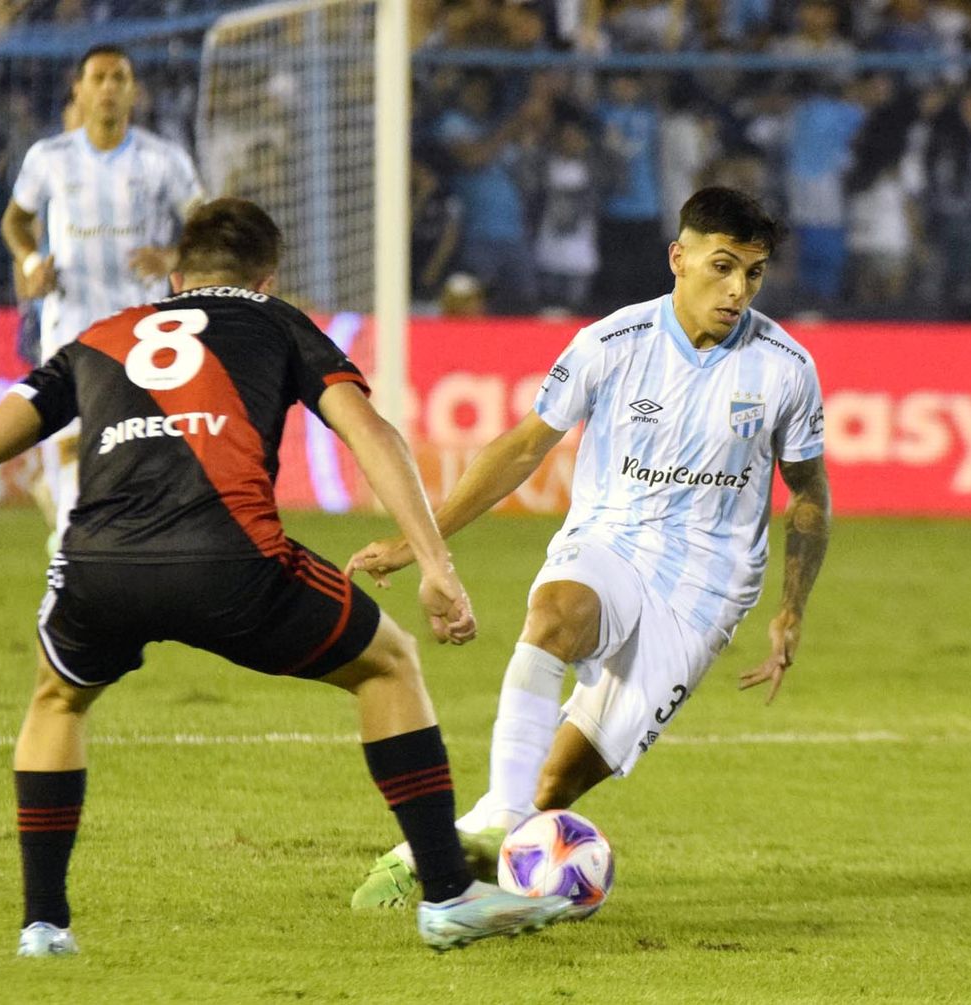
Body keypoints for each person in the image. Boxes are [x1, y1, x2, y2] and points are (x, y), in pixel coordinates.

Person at [0, 197, 570, 956]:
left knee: (59, 698)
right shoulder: (277, 322)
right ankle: (447, 894)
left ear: (176, 276)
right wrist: (435, 563)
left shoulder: (100, 336)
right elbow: (369, 431)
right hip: (232, 562)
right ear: (268, 279)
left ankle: (44, 925)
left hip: (100, 566)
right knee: (389, 663)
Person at [348, 187, 832, 909]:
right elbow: (520, 448)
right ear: (680, 257)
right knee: (554, 614)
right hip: (611, 539)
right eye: (723, 266)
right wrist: (419, 539)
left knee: (554, 785)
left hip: (706, 591)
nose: (737, 290)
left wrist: (790, 611)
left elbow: (810, 494)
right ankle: (499, 841)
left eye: (753, 274)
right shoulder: (613, 343)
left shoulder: (785, 368)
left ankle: (439, 849)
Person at [1, 45, 205, 553]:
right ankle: (73, 541)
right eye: (98, 77)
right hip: (69, 323)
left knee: (139, 445)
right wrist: (30, 264)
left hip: (145, 330)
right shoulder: (48, 158)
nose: (109, 87)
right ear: (80, 90)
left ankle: (118, 540)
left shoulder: (165, 160)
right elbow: (15, 220)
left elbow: (206, 222)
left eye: (119, 78)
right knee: (70, 439)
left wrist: (175, 255)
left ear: (134, 91)